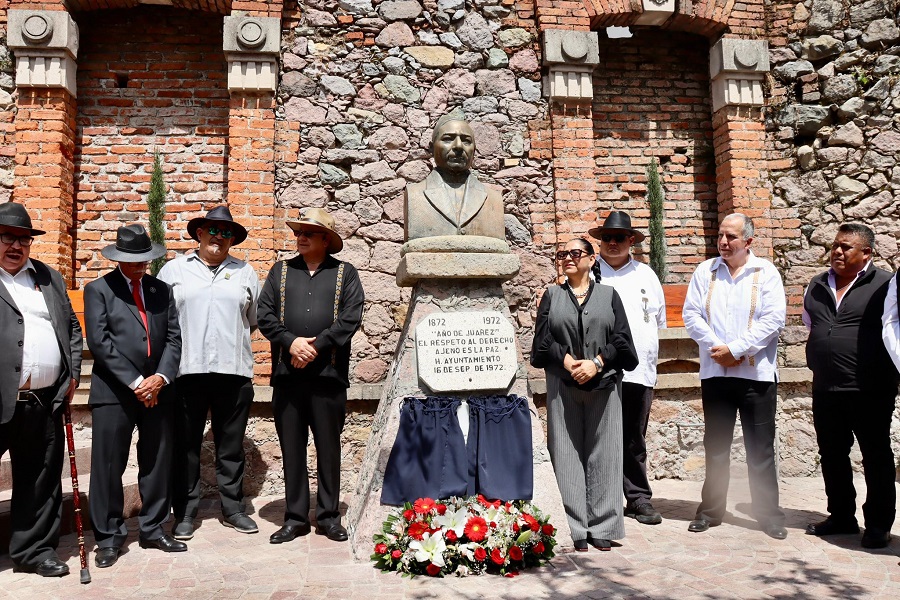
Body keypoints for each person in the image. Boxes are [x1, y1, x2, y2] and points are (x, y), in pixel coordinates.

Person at [257, 208, 364, 544]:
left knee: (328, 448)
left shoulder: (346, 274)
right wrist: (291, 343)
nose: (300, 237)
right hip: (288, 376)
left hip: (328, 376)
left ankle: (330, 517)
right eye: (298, 232)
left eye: (308, 233)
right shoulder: (280, 271)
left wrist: (315, 347)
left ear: (325, 240)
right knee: (292, 448)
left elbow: (350, 318)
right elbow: (265, 314)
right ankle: (296, 518)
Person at [682, 213, 787, 540]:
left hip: (756, 376)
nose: (724, 243)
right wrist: (719, 349)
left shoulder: (765, 272)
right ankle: (711, 511)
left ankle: (768, 515)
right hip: (716, 373)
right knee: (715, 446)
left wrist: (737, 350)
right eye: (721, 237)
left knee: (760, 449)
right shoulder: (705, 270)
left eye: (732, 237)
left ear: (749, 242)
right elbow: (691, 314)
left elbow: (774, 320)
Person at [158, 206, 261, 540]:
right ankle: (185, 512)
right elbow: (160, 323)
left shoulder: (246, 272)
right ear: (199, 233)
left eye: (227, 232)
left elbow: (253, 321)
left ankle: (232, 509)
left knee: (230, 446)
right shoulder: (173, 270)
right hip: (186, 370)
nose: (219, 237)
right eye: (213, 230)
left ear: (233, 239)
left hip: (233, 371)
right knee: (186, 445)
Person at [85, 224, 184, 568]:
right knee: (108, 465)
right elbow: (100, 343)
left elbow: (173, 338)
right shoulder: (98, 290)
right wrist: (137, 382)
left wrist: (160, 378)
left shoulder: (161, 290)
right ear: (118, 258)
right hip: (114, 390)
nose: (140, 265)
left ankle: (154, 528)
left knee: (157, 460)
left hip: (157, 391)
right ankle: (109, 537)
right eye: (133, 260)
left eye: (145, 259)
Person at [531, 238, 638, 552]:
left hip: (604, 385)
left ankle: (602, 525)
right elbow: (542, 342)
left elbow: (621, 340)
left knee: (605, 454)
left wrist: (595, 363)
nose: (567, 258)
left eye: (575, 253)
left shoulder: (609, 296)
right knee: (565, 453)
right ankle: (574, 526)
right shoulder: (551, 296)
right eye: (562, 254)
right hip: (563, 387)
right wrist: (568, 362)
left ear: (592, 260)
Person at [804, 223, 898, 549]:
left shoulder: (886, 284)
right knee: (831, 453)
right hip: (826, 386)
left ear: (866, 253)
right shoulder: (817, 284)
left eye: (846, 247)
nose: (838, 252)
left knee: (875, 456)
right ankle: (841, 515)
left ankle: (878, 524)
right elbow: (812, 324)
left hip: (870, 388)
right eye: (835, 246)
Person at [0, 202, 81, 577]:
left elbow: (73, 330)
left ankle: (34, 551)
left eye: (23, 239)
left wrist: (74, 375)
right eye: (7, 238)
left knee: (40, 479)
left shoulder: (49, 278)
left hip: (44, 400)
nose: (15, 246)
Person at [588, 211, 666, 525]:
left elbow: (658, 319)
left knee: (634, 439)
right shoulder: (592, 275)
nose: (612, 243)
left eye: (619, 237)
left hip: (640, 371)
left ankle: (638, 499)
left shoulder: (647, 274)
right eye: (607, 237)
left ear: (631, 241)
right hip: (602, 369)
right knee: (598, 438)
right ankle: (600, 502)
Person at [404, 112, 505, 241]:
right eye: (448, 139)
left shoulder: (494, 199)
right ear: (431, 148)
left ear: (474, 150)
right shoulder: (415, 195)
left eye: (466, 141)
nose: (458, 146)